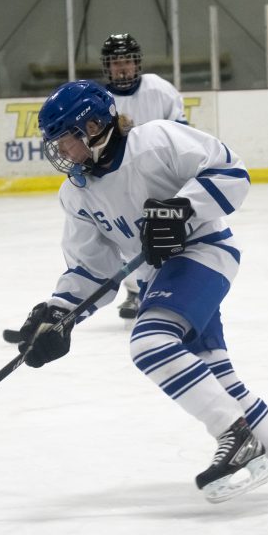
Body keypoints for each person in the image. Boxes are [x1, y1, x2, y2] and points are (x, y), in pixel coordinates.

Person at [6, 79, 268, 506]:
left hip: (204, 252)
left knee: (149, 342)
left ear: (94, 126)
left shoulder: (155, 141)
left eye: (67, 139)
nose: (62, 151)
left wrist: (182, 208)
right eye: (56, 143)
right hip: (159, 279)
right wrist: (59, 312)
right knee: (216, 378)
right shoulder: (76, 194)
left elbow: (231, 171)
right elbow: (93, 268)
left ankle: (236, 436)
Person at [100, 32, 189, 321]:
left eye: (127, 60)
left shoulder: (160, 89)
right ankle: (136, 290)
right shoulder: (102, 100)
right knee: (128, 236)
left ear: (137, 63)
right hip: (123, 181)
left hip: (162, 177)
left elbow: (182, 134)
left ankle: (173, 286)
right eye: (116, 62)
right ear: (107, 67)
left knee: (168, 235)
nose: (122, 67)